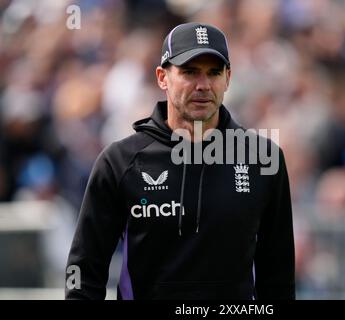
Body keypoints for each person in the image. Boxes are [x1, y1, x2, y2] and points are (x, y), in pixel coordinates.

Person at [65, 22, 295, 300]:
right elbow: (84, 272)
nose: (203, 85)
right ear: (162, 77)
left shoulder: (263, 159)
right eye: (189, 72)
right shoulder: (120, 162)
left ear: (228, 78)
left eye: (214, 73)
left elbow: (278, 277)